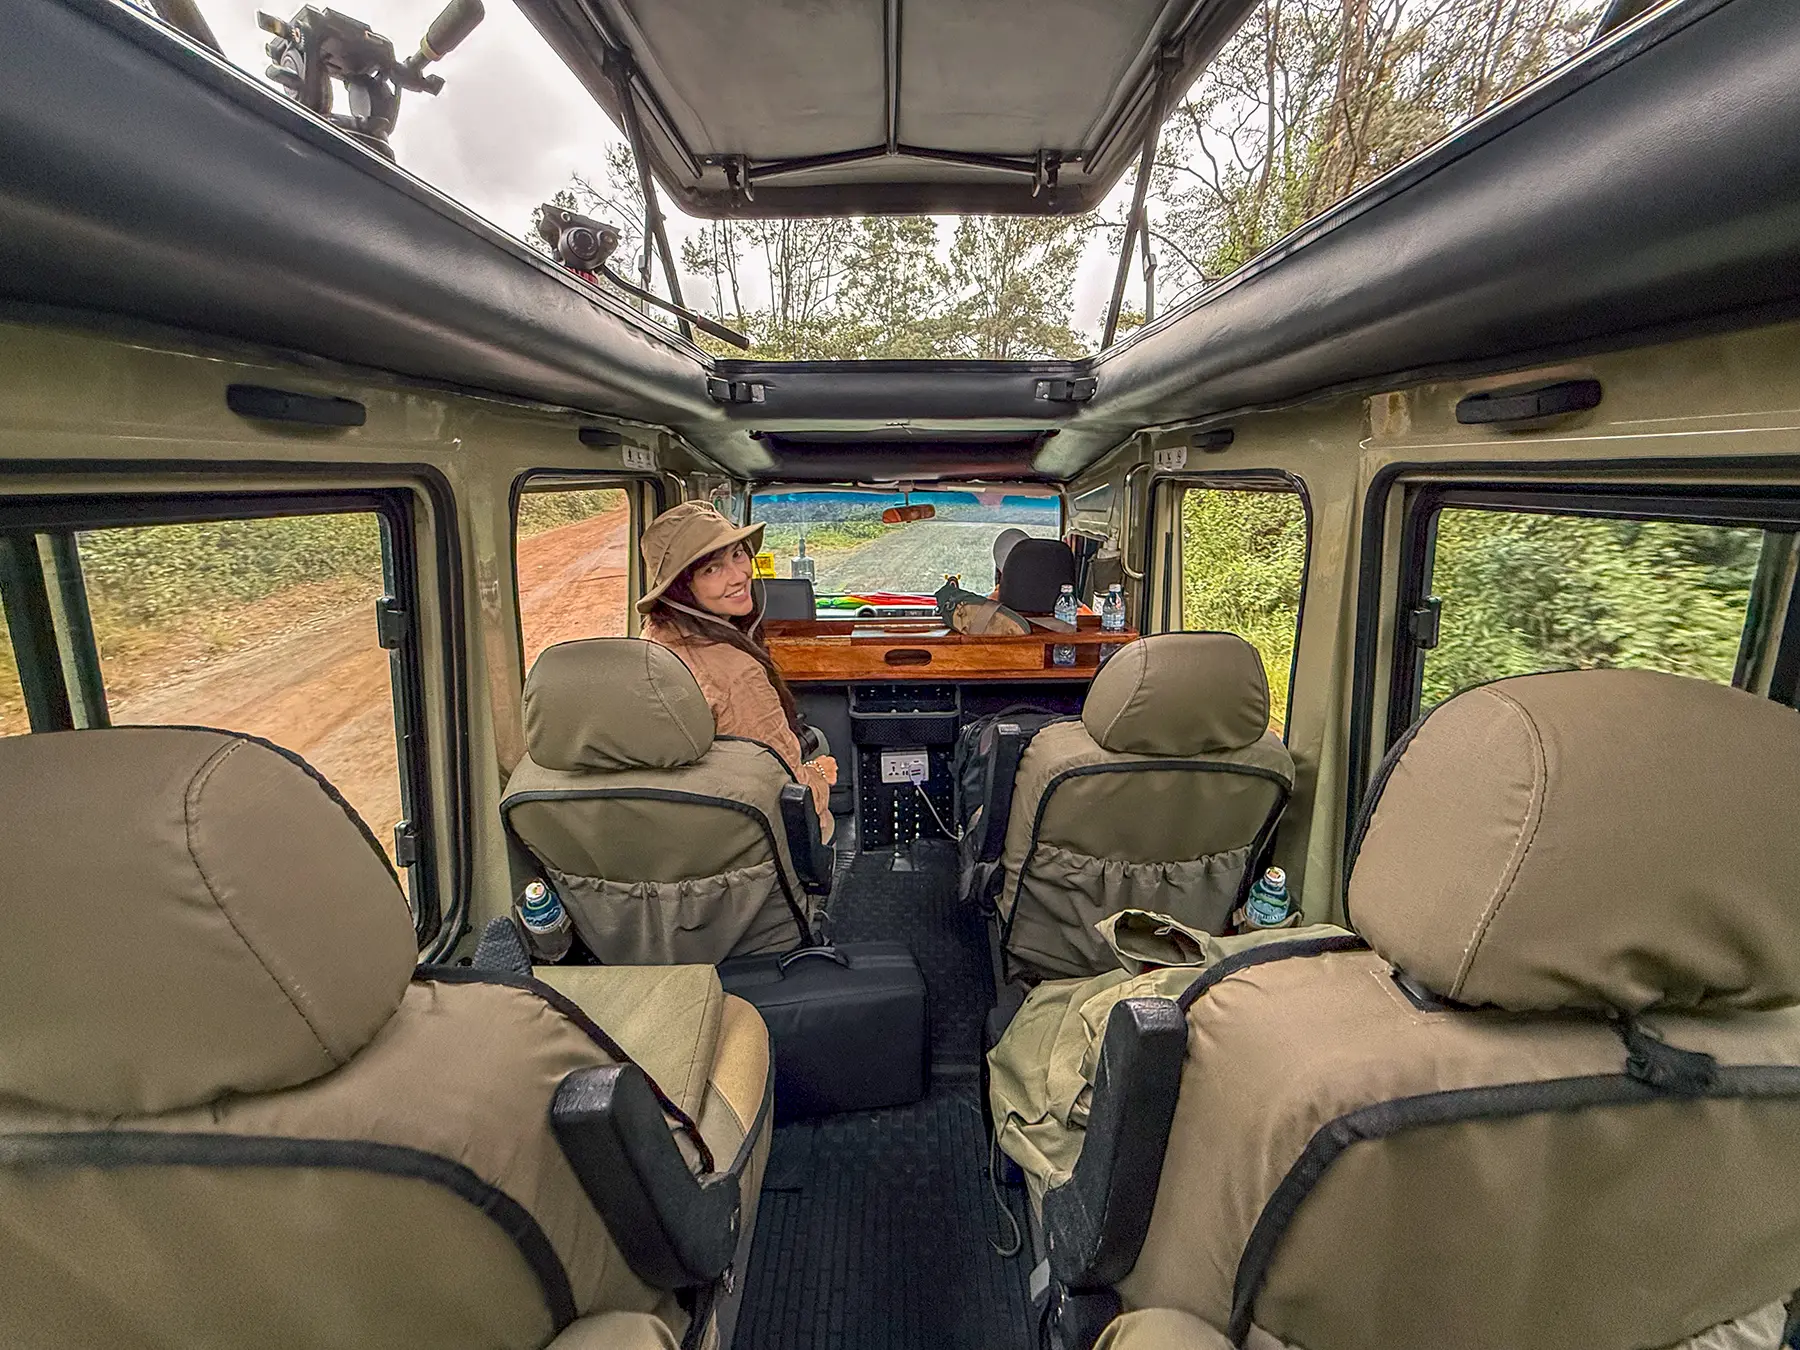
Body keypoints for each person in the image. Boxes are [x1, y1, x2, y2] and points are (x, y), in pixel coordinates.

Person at [637, 502, 838, 842]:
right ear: (680, 589)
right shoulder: (736, 673)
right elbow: (785, 786)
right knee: (821, 748)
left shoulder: (652, 636)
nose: (739, 575)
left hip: (683, 822)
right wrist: (819, 774)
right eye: (712, 570)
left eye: (738, 555)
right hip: (753, 835)